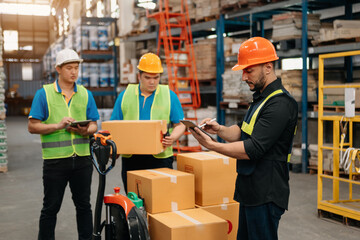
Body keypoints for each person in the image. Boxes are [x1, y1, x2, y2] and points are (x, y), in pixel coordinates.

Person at [189, 37, 298, 240]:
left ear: (268, 67)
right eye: (243, 70)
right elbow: (241, 132)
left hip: (266, 193)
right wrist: (219, 129)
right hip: (250, 189)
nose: (243, 76)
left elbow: (253, 148)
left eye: (249, 70)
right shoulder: (261, 99)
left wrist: (212, 146)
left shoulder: (280, 104)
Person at [28, 49, 99, 240]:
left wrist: (87, 130)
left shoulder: (85, 94)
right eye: (69, 68)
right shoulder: (44, 94)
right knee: (50, 208)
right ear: (58, 69)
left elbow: (94, 123)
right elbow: (32, 126)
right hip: (55, 162)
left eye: (76, 68)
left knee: (84, 206)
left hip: (83, 160)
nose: (74, 72)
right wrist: (58, 126)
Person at [110, 52, 186, 192]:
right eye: (147, 77)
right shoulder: (125, 96)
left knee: (160, 200)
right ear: (139, 76)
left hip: (160, 159)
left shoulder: (169, 95)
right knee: (135, 200)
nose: (152, 82)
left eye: (156, 78)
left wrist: (173, 137)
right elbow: (114, 126)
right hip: (132, 159)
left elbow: (180, 124)